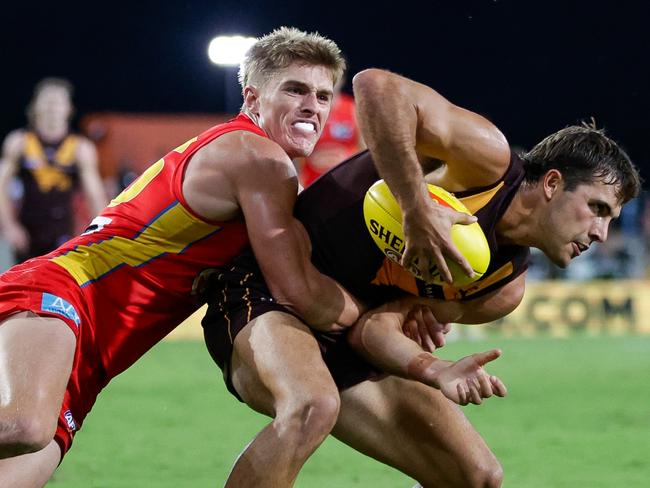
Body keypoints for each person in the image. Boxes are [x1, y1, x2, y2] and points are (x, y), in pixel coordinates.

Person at [201, 68, 641, 487]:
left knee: (474, 477)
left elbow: (373, 332)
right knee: (312, 405)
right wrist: (415, 206)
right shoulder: (484, 161)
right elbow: (374, 86)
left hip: (343, 328)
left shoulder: (502, 289)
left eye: (611, 219)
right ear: (551, 183)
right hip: (268, 291)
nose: (602, 233)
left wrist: (437, 371)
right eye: (597, 208)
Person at [0, 27, 375, 487]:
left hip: (97, 359)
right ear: (252, 98)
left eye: (321, 95)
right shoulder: (256, 155)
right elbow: (296, 289)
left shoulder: (270, 175)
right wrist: (377, 315)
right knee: (25, 427)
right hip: (66, 292)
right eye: (294, 90)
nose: (312, 107)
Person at [0, 78, 107, 263]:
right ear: (35, 106)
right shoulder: (19, 142)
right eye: (47, 100)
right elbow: (1, 186)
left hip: (62, 236)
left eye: (58, 101)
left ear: (69, 109)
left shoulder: (81, 148)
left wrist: (103, 232)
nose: (52, 107)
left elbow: (95, 195)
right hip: (25, 236)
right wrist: (9, 225)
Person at [297, 77, 364, 187]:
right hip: (312, 184)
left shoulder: (353, 109)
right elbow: (296, 153)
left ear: (341, 80)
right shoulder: (306, 111)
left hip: (347, 182)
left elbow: (364, 150)